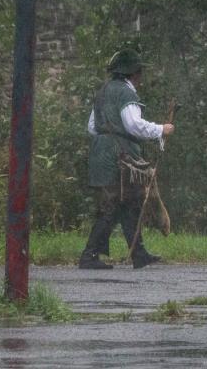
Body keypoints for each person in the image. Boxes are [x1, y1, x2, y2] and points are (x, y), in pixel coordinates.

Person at [78, 50, 175, 270]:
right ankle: (88, 256)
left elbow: (92, 127)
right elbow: (133, 125)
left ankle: (138, 254)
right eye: (139, 71)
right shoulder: (126, 93)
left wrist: (107, 141)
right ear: (133, 73)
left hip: (102, 153)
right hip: (118, 156)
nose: (141, 76)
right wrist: (161, 129)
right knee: (111, 206)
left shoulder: (103, 92)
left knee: (128, 203)